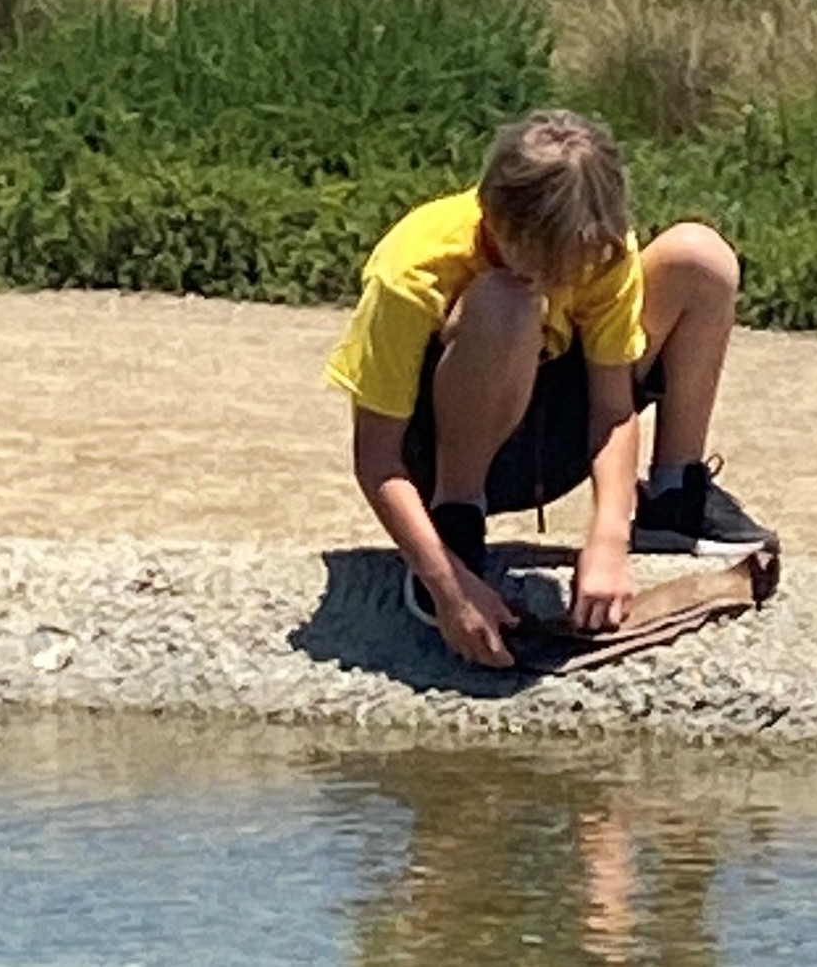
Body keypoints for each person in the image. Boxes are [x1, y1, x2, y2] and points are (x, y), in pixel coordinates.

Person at [325, 108, 776, 668]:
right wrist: (448, 585)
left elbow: (613, 409)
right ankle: (458, 517)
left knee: (699, 256)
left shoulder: (597, 246)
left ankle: (672, 497)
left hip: (551, 436)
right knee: (507, 302)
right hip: (442, 452)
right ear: (497, 218)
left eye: (582, 264)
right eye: (549, 266)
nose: (571, 278)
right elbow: (377, 460)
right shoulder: (414, 268)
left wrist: (608, 540)